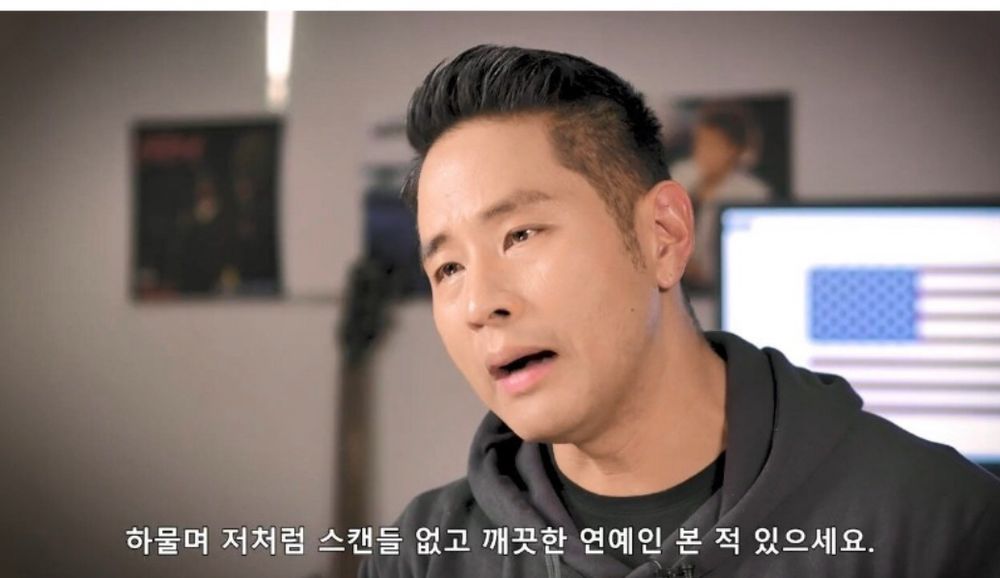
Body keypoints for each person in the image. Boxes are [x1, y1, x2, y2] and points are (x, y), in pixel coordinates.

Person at [359, 45, 1000, 578]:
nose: (479, 304)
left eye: (520, 235)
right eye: (448, 269)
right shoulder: (420, 556)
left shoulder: (939, 526)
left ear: (663, 235)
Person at [669, 102, 772, 292]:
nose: (701, 152)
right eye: (700, 143)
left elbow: (749, 259)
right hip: (673, 284)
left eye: (712, 145)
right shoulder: (680, 174)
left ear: (733, 149)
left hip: (720, 289)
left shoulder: (752, 193)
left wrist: (698, 271)